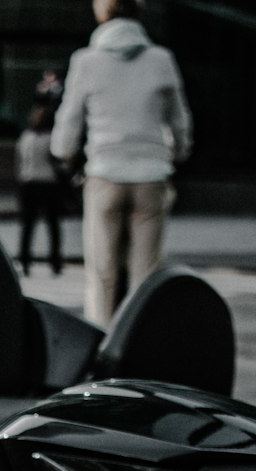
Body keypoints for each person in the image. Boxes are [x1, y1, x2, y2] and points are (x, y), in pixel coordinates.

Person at [50, 0, 193, 326]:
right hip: (151, 176)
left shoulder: (86, 61)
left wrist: (64, 151)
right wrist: (178, 153)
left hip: (104, 174)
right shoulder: (161, 59)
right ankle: (138, 342)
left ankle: (102, 348)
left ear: (102, 13)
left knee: (102, 273)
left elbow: (69, 120)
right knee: (145, 272)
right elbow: (180, 120)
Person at [16, 104, 64, 276]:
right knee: (48, 225)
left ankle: (29, 260)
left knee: (32, 225)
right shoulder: (48, 138)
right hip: (43, 182)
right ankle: (51, 262)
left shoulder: (27, 137)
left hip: (33, 182)